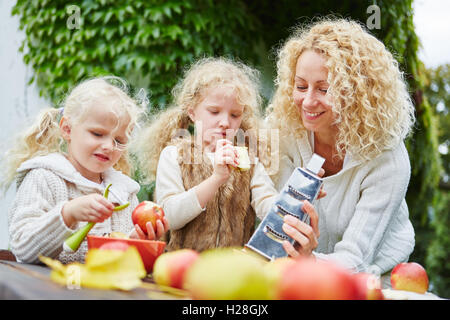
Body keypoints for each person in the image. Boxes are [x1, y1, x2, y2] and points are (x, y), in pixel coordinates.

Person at [266, 18, 416, 283]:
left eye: (325, 89)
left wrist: (310, 260)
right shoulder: (285, 131)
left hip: (376, 278)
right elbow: (275, 220)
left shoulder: (387, 159)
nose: (308, 101)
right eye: (301, 86)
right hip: (298, 271)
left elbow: (355, 260)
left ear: (357, 93)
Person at [134, 57, 318, 253]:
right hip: (182, 265)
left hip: (232, 267)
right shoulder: (174, 155)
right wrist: (216, 179)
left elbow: (267, 205)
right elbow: (170, 215)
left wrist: (299, 193)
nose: (225, 122)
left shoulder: (247, 160)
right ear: (192, 113)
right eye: (214, 112)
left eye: (235, 115)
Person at [4, 77, 168, 264]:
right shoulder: (43, 178)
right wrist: (67, 214)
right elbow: (23, 250)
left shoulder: (124, 193)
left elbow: (121, 263)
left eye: (119, 141)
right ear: (67, 129)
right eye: (97, 134)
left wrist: (138, 242)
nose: (108, 146)